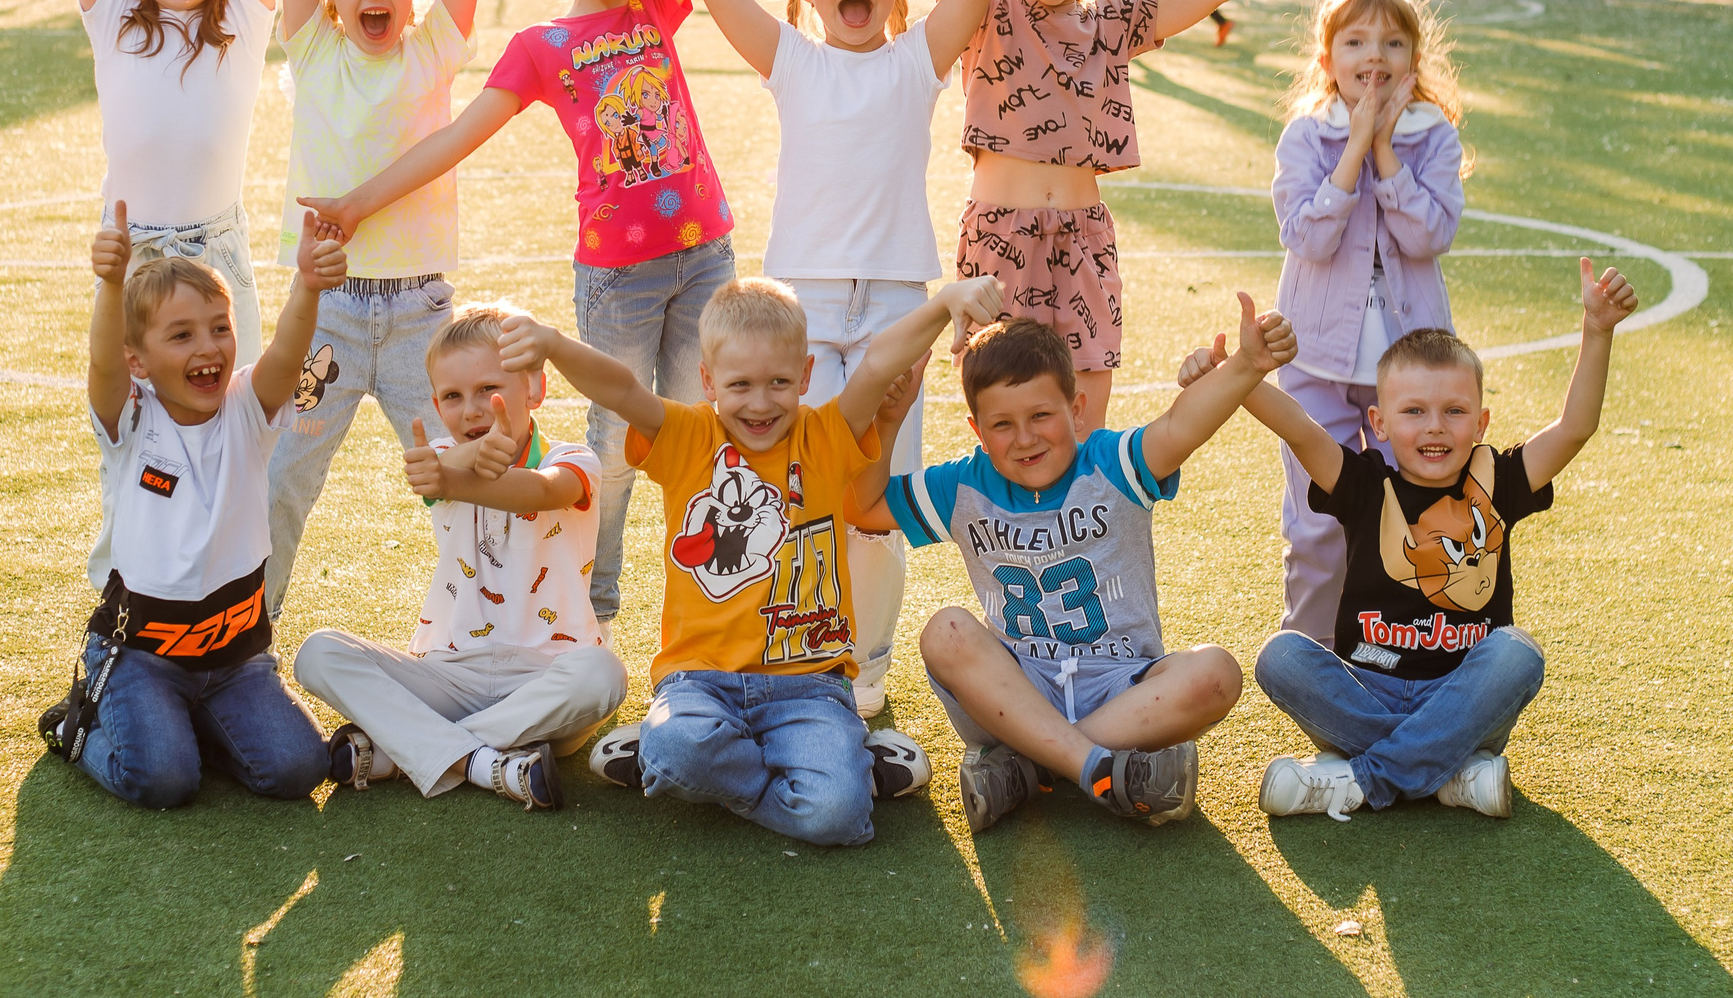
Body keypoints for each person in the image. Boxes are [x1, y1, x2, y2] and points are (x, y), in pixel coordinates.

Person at [297, 0, 808, 636]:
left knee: (712, 435)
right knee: (610, 451)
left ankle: (729, 610)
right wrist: (353, 201)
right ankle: (595, 611)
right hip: (617, 281)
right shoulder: (539, 45)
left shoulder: (657, 6)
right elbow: (453, 137)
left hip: (704, 259)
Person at [687, 0, 1000, 718]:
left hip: (900, 304)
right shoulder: (788, 57)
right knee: (792, 494)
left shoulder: (918, 59)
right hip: (802, 314)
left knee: (876, 503)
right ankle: (786, 651)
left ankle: (865, 666)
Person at [507, 275, 1006, 847]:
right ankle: (801, 764)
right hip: (700, 684)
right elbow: (620, 388)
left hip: (808, 687)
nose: (761, 402)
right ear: (707, 380)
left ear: (806, 378)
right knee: (678, 748)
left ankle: (720, 770)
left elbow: (874, 368)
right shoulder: (688, 435)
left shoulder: (824, 435)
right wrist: (550, 341)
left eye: (779, 382)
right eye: (740, 384)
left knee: (839, 815)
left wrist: (944, 303)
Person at [0, 0, 282, 594]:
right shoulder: (113, 17)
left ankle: (230, 601)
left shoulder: (247, 25)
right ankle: (128, 585)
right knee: (130, 433)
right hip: (135, 258)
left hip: (219, 257)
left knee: (231, 433)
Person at [951, 0, 1330, 431]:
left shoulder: (1113, 23)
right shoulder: (983, 12)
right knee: (1007, 421)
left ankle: (1087, 526)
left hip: (1084, 243)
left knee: (1080, 426)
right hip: (1000, 244)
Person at [853, 302, 1287, 832]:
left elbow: (1181, 425)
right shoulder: (964, 484)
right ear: (977, 429)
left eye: (1041, 416)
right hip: (1015, 693)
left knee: (1216, 672)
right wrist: (888, 419)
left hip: (1124, 687)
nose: (1026, 438)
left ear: (1077, 409)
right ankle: (1099, 768)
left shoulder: (1110, 464)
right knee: (945, 631)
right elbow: (864, 507)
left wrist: (1247, 364)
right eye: (1002, 425)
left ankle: (1032, 769)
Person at [256, 0, 517, 614]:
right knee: (281, 478)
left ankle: (502, 624)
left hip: (420, 314)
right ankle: (239, 640)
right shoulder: (315, 44)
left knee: (465, 474)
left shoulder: (434, 49)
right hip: (323, 309)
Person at [1248, 262, 1641, 821]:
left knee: (1517, 653)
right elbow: (1299, 427)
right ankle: (1449, 772)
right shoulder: (1365, 486)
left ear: (1480, 423)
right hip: (1368, 692)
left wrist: (1597, 331)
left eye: (1454, 412)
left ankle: (1364, 779)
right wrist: (1240, 371)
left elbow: (1574, 428)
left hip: (1462, 699)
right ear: (1379, 424)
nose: (1435, 426)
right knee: (1281, 655)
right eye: (1414, 412)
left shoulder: (1498, 481)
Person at [44, 203, 344, 809]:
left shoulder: (246, 409)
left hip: (236, 657)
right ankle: (77, 727)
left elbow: (287, 353)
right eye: (181, 335)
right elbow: (103, 363)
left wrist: (307, 285)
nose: (208, 347)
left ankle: (195, 725)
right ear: (140, 361)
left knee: (298, 769)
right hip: (141, 657)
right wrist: (110, 283)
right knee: (164, 780)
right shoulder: (133, 419)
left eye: (219, 327)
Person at [292, 303, 628, 810]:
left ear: (534, 389)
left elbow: (541, 492)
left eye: (489, 389)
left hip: (547, 677)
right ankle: (481, 761)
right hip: (450, 671)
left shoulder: (574, 460)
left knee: (603, 677)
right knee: (317, 653)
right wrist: (456, 468)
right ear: (435, 402)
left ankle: (405, 750)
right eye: (453, 396)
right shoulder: (439, 463)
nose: (472, 409)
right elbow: (441, 471)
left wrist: (461, 474)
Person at [1269, 0, 1467, 645]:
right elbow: (1308, 237)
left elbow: (1427, 234)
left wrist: (1385, 150)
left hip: (1412, 373)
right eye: (1355, 40)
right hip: (1315, 363)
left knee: (1412, 513)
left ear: (1415, 60)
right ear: (1328, 62)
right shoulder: (1306, 136)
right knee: (1320, 520)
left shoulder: (1433, 136)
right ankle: (1314, 662)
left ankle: (1407, 657)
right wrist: (1353, 147)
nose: (1373, 54)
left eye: (1392, 41)